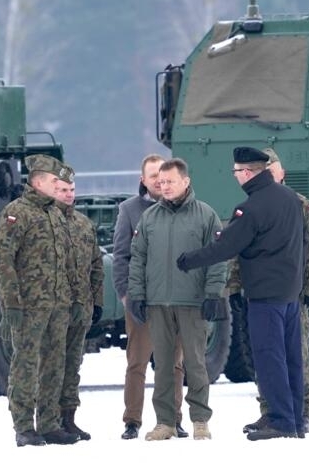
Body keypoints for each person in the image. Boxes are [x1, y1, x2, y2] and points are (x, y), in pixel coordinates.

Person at [177, 147, 306, 440]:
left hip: (265, 295)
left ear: (248, 172)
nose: (235, 176)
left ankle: (281, 421)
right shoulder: (290, 199)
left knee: (269, 357)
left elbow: (225, 247)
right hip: (289, 293)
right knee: (291, 358)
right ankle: (295, 417)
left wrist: (187, 260)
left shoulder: (251, 208)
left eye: (236, 171)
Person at [127, 158, 227, 441]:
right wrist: (137, 295)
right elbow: (138, 260)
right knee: (163, 364)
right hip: (158, 302)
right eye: (161, 181)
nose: (164, 186)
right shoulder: (150, 218)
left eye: (170, 181)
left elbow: (218, 259)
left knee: (195, 363)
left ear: (185, 181)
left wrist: (213, 294)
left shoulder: (205, 216)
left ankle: (199, 420)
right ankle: (165, 422)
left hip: (192, 302)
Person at [236, 148, 309, 435]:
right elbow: (241, 251)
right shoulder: (253, 204)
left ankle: (300, 413)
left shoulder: (298, 204)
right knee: (266, 355)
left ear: (281, 173)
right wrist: (235, 287)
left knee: (295, 354)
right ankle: (273, 412)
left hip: (292, 293)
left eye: (272, 171)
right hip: (264, 292)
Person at [0, 154, 81, 447]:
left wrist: (75, 298)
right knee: (26, 364)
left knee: (54, 364)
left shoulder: (55, 213)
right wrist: (11, 304)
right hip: (29, 305)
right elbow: (3, 260)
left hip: (58, 304)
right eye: (56, 181)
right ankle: (23, 425)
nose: (60, 186)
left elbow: (67, 260)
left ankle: (48, 423)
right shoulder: (17, 212)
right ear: (39, 181)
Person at [112, 154, 188, 440]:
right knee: (137, 363)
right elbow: (120, 255)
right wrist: (124, 294)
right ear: (143, 179)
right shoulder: (129, 210)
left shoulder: (183, 208)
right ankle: (132, 420)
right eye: (153, 175)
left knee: (173, 364)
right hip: (141, 299)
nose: (158, 180)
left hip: (176, 299)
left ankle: (173, 418)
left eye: (163, 174)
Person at [53, 174, 104, 440]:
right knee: (51, 365)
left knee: (73, 365)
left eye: (71, 189)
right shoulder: (46, 223)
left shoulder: (83, 224)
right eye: (62, 190)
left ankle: (68, 418)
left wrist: (97, 301)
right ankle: (48, 420)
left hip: (80, 307)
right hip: (53, 307)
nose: (68, 194)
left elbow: (96, 265)